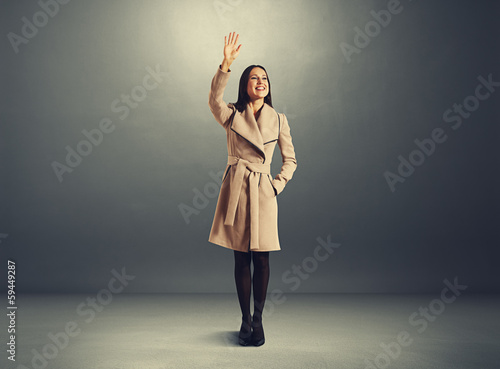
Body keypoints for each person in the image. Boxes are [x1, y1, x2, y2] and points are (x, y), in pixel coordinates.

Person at [208, 32, 297, 346]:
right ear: (244, 84)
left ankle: (258, 320)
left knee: (262, 259)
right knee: (239, 258)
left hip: (262, 192)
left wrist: (276, 185)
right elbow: (213, 101)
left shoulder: (279, 120)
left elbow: (291, 160)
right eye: (254, 77)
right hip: (236, 190)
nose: (260, 81)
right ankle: (244, 320)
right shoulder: (231, 114)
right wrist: (226, 64)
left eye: (265, 78)